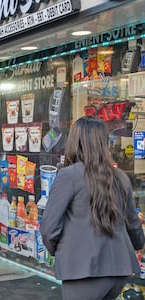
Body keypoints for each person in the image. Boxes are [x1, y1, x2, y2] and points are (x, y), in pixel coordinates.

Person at [40, 116, 145, 300]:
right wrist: (137, 245)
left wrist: (62, 251)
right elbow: (133, 225)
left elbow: (49, 229)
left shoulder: (68, 175)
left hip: (82, 271)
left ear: (75, 141)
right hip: (119, 270)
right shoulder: (120, 176)